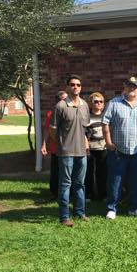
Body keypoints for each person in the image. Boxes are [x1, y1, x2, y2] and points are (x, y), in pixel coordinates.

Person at [102, 76, 137, 219]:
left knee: (136, 181)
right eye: (129, 86)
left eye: (134, 86)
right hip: (117, 150)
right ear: (124, 87)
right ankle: (112, 208)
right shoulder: (114, 103)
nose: (131, 89)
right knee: (115, 180)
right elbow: (105, 124)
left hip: (136, 151)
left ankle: (134, 207)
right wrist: (108, 142)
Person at [51, 75, 91, 226]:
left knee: (80, 183)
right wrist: (62, 144)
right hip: (66, 152)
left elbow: (85, 129)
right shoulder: (60, 106)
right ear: (68, 87)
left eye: (78, 85)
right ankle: (64, 216)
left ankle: (80, 212)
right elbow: (53, 130)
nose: (75, 87)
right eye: (72, 84)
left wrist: (86, 146)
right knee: (65, 184)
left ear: (81, 87)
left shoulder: (85, 105)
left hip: (81, 152)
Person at [41, 90, 68, 196]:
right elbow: (47, 130)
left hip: (69, 148)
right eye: (63, 99)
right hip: (56, 148)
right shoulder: (51, 114)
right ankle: (55, 192)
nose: (66, 101)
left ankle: (68, 193)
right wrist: (44, 144)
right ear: (58, 101)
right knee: (56, 171)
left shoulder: (72, 111)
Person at [84, 92, 108, 202]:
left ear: (103, 104)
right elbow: (84, 133)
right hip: (90, 148)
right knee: (89, 172)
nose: (98, 103)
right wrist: (86, 148)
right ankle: (89, 194)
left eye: (100, 101)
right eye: (96, 101)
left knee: (102, 172)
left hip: (104, 148)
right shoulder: (86, 117)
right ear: (91, 103)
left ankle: (103, 194)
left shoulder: (106, 116)